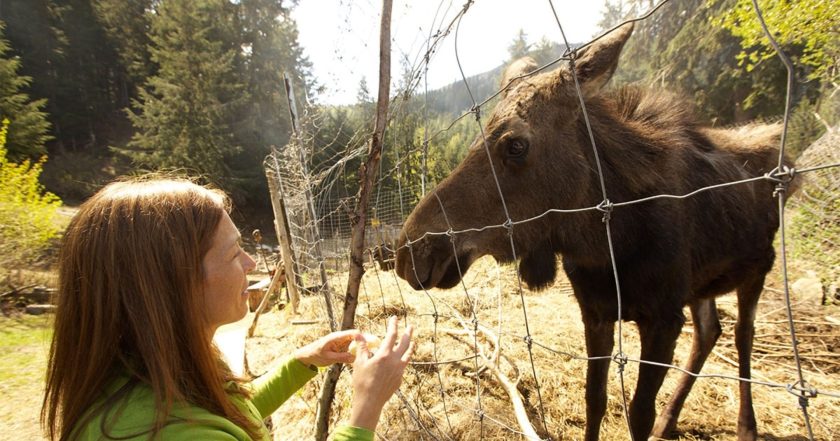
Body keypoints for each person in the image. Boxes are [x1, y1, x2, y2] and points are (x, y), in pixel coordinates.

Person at [41, 176, 414, 440]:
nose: (251, 264)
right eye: (234, 252)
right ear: (175, 281)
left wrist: (301, 363)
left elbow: (232, 417)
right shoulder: (173, 435)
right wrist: (365, 409)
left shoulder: (145, 373)